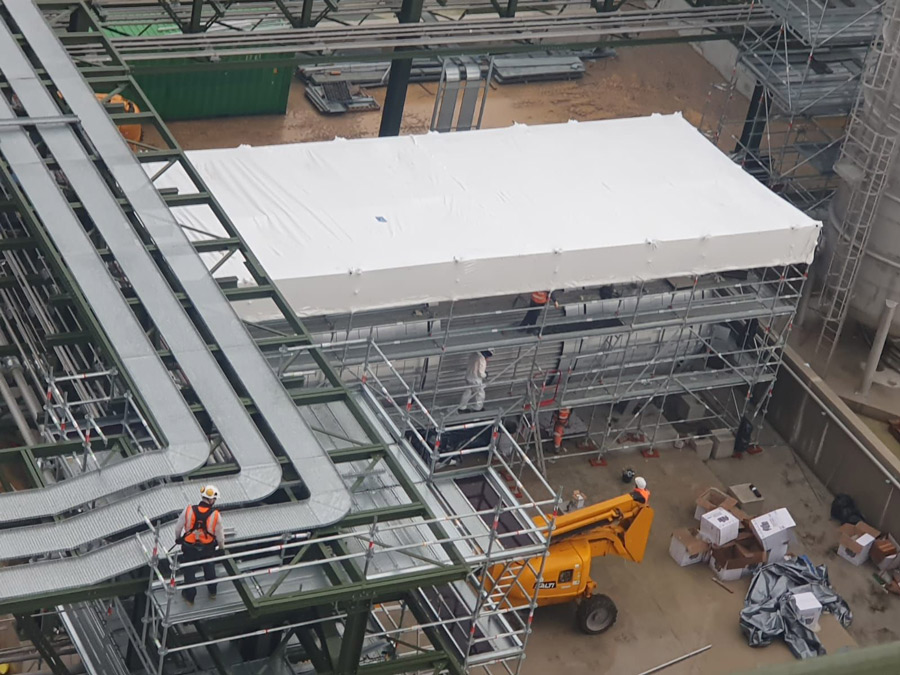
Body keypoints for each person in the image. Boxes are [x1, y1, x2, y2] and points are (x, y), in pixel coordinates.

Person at [176, 484, 225, 604]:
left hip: (189, 547)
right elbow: (220, 536)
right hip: (207, 548)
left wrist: (178, 539)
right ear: (211, 500)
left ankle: (190, 598)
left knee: (189, 572)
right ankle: (212, 592)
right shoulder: (216, 515)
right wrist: (221, 548)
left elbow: (178, 528)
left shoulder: (188, 510)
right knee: (209, 567)